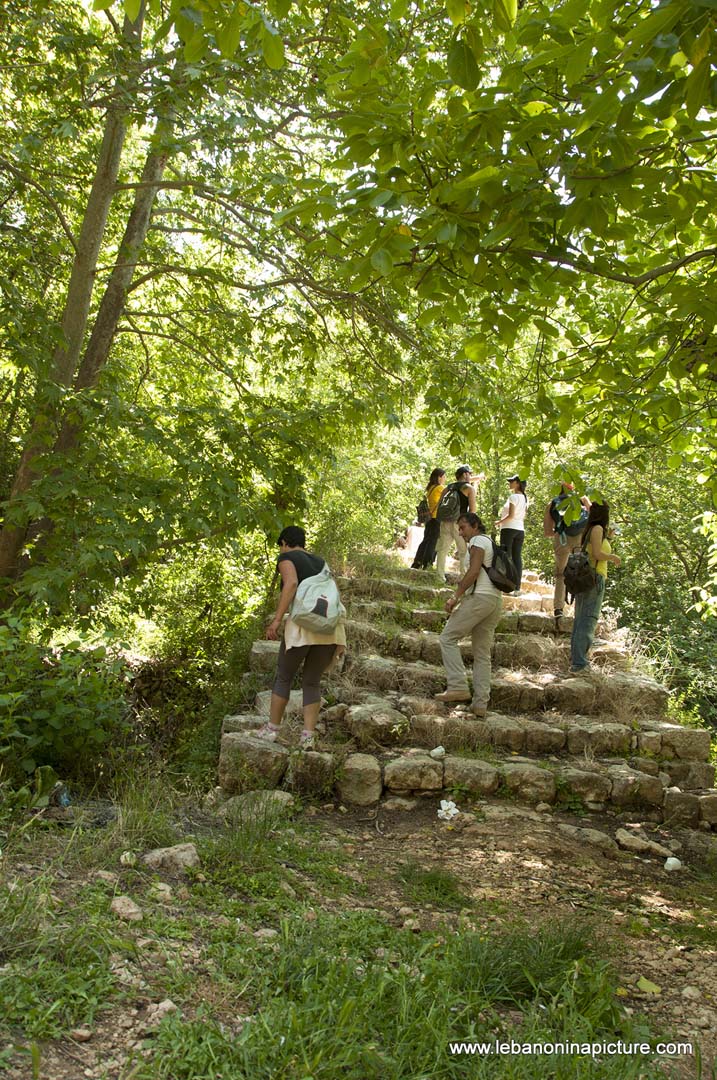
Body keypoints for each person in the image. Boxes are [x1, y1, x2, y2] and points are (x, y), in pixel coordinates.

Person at [257, 526, 346, 748]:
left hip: (302, 627)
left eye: (281, 545)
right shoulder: (321, 563)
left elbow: (292, 583)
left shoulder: (287, 557)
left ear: (285, 543)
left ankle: (273, 729)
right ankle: (308, 736)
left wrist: (277, 620)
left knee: (284, 676)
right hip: (328, 629)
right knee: (312, 682)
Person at [435, 513, 503, 718]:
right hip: (494, 601)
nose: (461, 532)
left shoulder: (478, 540)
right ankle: (480, 704)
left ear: (475, 526)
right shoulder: (489, 541)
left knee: (447, 638)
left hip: (480, 599)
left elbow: (473, 572)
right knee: (482, 654)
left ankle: (457, 685)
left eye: (463, 527)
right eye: (459, 528)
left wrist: (455, 596)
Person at [570, 502, 621, 674]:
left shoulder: (592, 529)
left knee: (581, 619)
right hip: (594, 577)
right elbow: (598, 554)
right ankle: (580, 664)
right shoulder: (598, 528)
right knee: (588, 620)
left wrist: (610, 538)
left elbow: (593, 549)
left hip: (587, 577)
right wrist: (613, 557)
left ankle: (577, 661)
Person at [544, 481, 592, 618]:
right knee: (581, 571)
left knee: (560, 573)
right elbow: (594, 516)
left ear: (560, 488)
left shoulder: (552, 503)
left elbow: (547, 531)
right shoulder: (582, 499)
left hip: (562, 539)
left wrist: (559, 532)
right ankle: (580, 608)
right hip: (580, 539)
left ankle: (558, 609)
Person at [435, 465, 477, 578]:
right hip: (460, 524)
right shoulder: (469, 488)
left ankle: (439, 576)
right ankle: (464, 577)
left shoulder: (448, 488)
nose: (470, 476)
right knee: (463, 551)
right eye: (470, 474)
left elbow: (439, 505)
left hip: (445, 521)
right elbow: (473, 510)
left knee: (442, 549)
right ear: (464, 474)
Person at [495, 474, 528, 594]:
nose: (509, 483)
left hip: (509, 529)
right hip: (520, 529)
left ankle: (507, 585)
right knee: (517, 558)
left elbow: (511, 515)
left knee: (506, 557)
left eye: (512, 481)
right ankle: (517, 588)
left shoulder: (513, 497)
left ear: (518, 483)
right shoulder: (525, 498)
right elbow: (523, 515)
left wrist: (499, 522)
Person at [411, 468, 446, 570]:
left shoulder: (430, 488)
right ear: (439, 477)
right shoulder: (440, 488)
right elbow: (451, 491)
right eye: (444, 476)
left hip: (429, 518)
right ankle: (428, 564)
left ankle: (417, 562)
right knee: (433, 542)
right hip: (436, 518)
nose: (445, 479)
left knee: (426, 540)